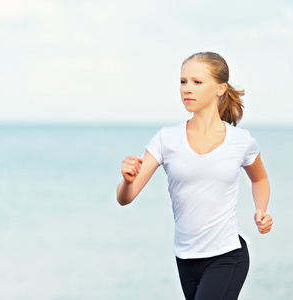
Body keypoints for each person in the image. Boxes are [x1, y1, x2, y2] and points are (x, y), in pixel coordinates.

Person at [116, 52, 273, 300]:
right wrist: (127, 180)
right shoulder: (166, 139)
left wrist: (261, 210)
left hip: (227, 255)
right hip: (186, 259)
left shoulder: (240, 141)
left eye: (197, 82)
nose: (187, 89)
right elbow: (126, 197)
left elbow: (260, 179)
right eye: (183, 81)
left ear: (220, 88)